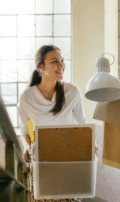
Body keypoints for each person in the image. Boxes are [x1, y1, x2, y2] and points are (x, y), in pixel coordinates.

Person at [18, 44, 95, 202]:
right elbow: (25, 131)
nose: (61, 66)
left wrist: (90, 144)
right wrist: (27, 146)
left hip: (69, 162)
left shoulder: (72, 92)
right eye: (54, 61)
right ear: (41, 66)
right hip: (41, 164)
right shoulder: (27, 97)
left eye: (62, 61)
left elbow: (83, 124)